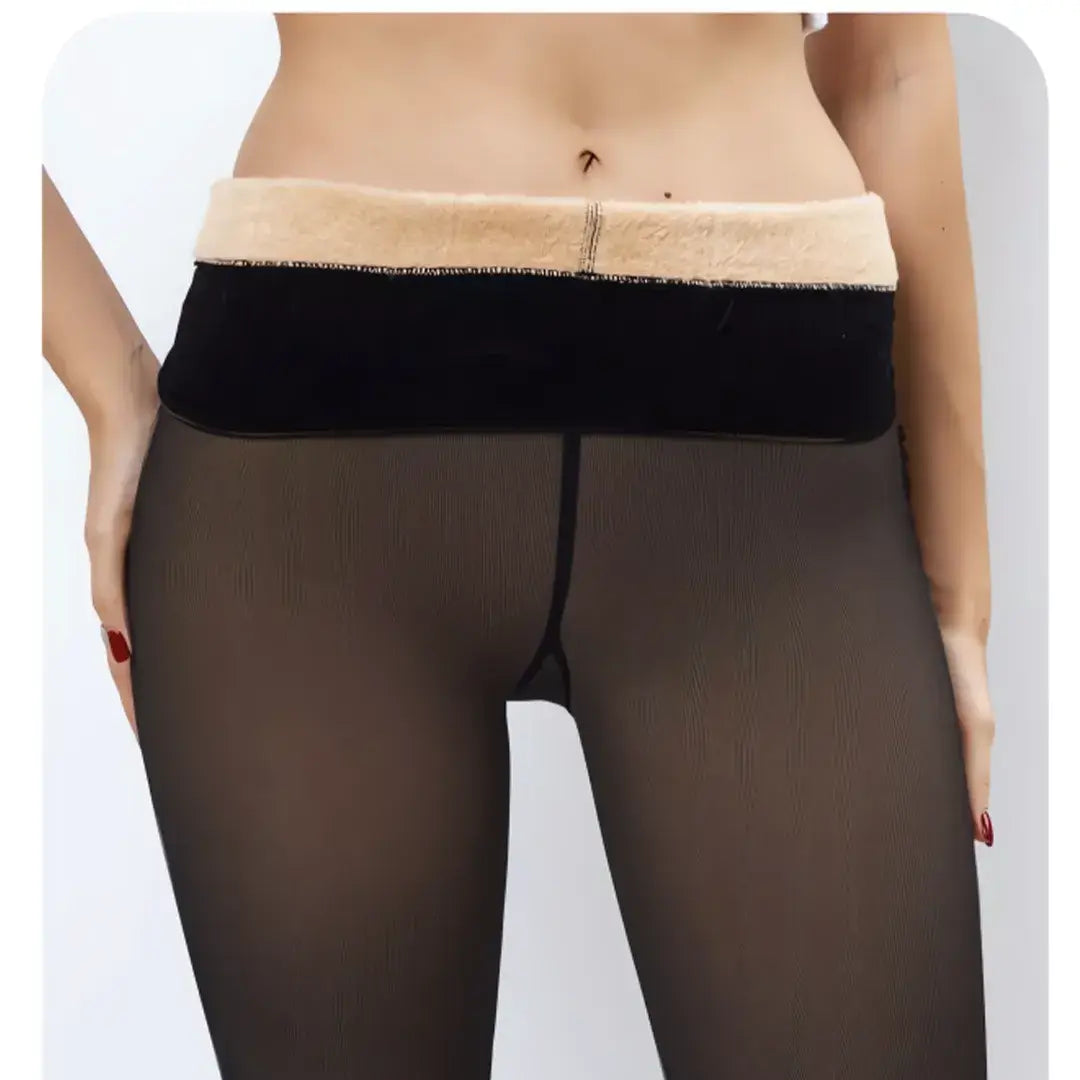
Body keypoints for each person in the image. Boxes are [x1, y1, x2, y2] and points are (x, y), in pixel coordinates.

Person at [41, 12, 994, 1079]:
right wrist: (113, 387)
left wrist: (958, 601)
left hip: (781, 461)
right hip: (308, 471)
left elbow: (892, 65)